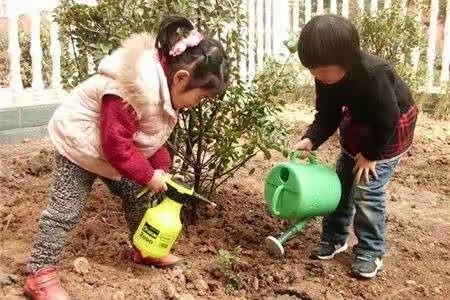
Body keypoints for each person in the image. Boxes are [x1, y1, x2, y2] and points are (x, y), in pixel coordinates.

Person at [24, 16, 228, 299]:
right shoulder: (132, 89)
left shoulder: (163, 90)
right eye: (201, 97)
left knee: (137, 195)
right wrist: (148, 175)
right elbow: (116, 146)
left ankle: (145, 249)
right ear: (181, 79)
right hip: (78, 144)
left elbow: (148, 137)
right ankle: (40, 273)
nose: (198, 104)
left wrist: (161, 169)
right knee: (65, 210)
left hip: (108, 150)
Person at [295, 14, 418, 279]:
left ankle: (371, 250)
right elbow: (327, 113)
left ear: (347, 60)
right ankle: (336, 237)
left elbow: (388, 118)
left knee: (367, 189)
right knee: (341, 183)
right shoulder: (326, 76)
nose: (316, 74)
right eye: (311, 69)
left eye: (321, 69)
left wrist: (371, 154)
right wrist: (312, 138)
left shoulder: (376, 73)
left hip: (391, 126)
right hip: (361, 119)